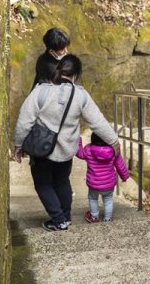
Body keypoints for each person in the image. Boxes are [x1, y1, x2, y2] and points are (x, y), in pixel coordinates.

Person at [13, 54, 120, 231]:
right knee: (62, 181)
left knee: (43, 183)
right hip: (66, 150)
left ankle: (58, 220)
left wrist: (19, 145)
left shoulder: (41, 91)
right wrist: (114, 141)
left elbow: (24, 121)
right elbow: (97, 121)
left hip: (42, 150)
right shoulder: (81, 96)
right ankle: (66, 217)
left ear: (58, 69)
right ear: (76, 75)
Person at [76, 131, 131, 223]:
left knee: (93, 198)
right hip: (108, 184)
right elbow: (120, 165)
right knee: (108, 199)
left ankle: (94, 217)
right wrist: (124, 176)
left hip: (93, 184)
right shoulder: (114, 151)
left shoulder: (88, 149)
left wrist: (78, 140)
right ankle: (108, 218)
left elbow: (79, 153)